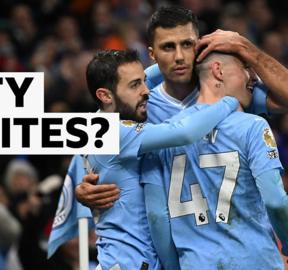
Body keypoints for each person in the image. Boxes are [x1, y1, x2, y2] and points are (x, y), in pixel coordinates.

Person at [76, 6, 288, 209]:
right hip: (174, 241)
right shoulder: (139, 104)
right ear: (152, 54)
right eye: (168, 47)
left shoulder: (226, 88)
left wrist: (246, 48)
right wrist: (80, 189)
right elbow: (98, 133)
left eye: (187, 44)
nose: (179, 56)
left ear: (199, 45)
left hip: (241, 231)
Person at [80, 49, 242, 270]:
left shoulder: (97, 123)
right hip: (131, 263)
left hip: (126, 260)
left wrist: (197, 51)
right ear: (105, 95)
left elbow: (156, 72)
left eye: (144, 82)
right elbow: (182, 133)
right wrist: (230, 101)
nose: (147, 91)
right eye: (135, 85)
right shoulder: (114, 132)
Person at [142, 51, 288, 269]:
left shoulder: (163, 134)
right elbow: (275, 201)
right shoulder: (252, 126)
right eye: (245, 68)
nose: (254, 77)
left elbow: (157, 216)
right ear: (218, 71)